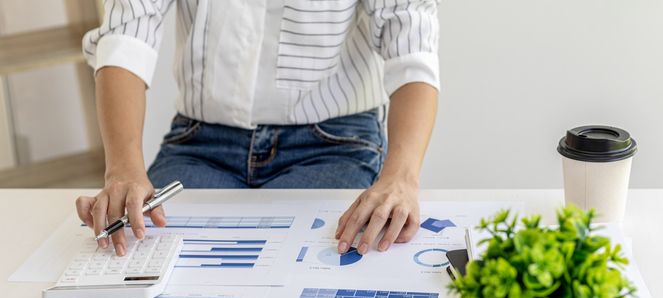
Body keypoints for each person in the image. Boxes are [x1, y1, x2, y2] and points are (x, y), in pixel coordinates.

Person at [75, 0, 440, 258]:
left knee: (313, 274)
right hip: (200, 145)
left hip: (333, 145)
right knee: (142, 258)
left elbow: (412, 49)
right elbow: (126, 37)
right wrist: (123, 170)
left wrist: (401, 178)